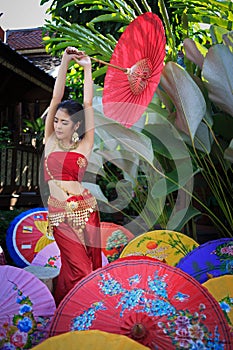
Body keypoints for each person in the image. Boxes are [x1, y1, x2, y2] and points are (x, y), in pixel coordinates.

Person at [44, 47, 102, 306]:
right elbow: (56, 98)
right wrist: (65, 62)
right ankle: (83, 308)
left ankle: (69, 313)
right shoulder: (50, 142)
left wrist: (88, 68)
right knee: (81, 269)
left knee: (77, 266)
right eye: (56, 121)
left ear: (76, 125)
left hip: (85, 209)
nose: (57, 126)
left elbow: (87, 104)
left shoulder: (84, 145)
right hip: (59, 213)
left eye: (64, 122)